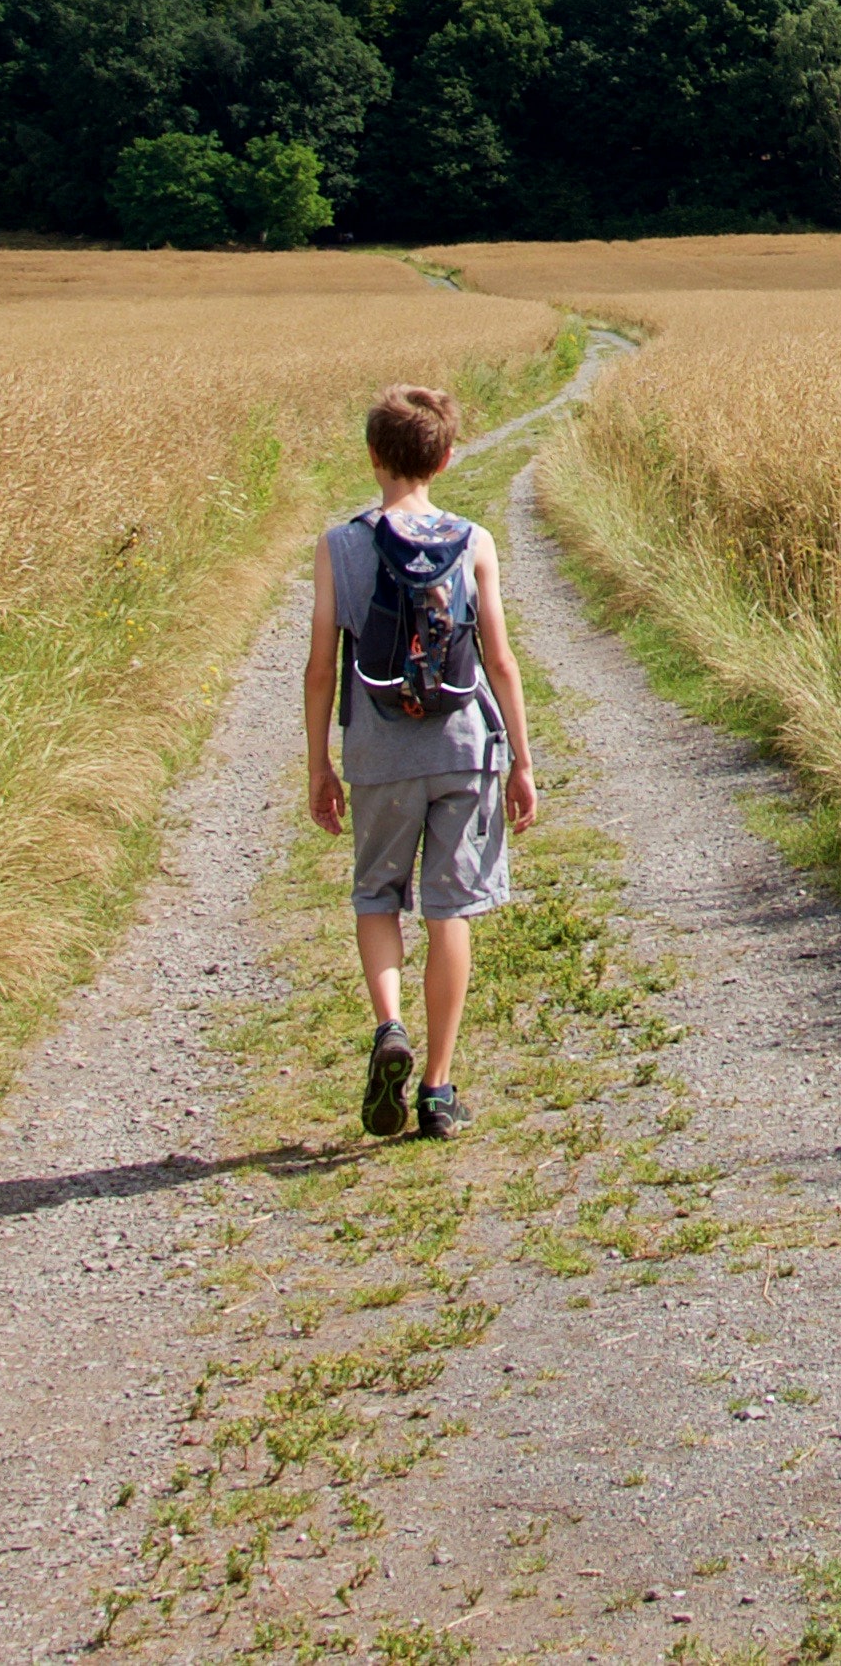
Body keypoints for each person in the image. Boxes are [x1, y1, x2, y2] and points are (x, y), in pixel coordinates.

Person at [303, 385, 541, 1140]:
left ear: (373, 457)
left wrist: (319, 764)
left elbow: (318, 670)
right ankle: (438, 1089)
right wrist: (523, 762)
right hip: (464, 748)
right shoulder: (473, 541)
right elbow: (499, 660)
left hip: (377, 752)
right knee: (450, 911)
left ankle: (389, 1027)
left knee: (376, 895)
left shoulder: (339, 545)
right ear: (444, 456)